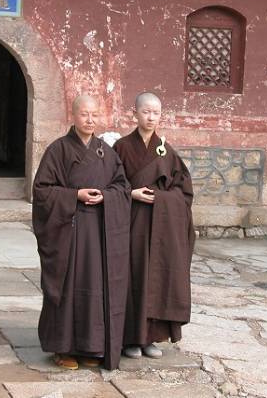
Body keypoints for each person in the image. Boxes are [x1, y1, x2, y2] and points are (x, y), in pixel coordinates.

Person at [32, 95, 131, 370]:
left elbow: (122, 187)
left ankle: (91, 346)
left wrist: (107, 198)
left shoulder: (106, 152)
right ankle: (62, 348)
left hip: (98, 231)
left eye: (94, 115)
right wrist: (75, 194)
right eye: (84, 115)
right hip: (69, 230)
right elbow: (42, 191)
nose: (90, 120)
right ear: (73, 116)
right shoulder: (58, 150)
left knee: (94, 287)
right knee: (67, 287)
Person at [113, 92, 195, 359]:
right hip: (132, 223)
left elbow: (183, 192)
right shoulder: (122, 147)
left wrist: (160, 198)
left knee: (156, 278)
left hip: (159, 227)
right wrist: (130, 194)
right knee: (133, 277)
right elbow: (111, 184)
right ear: (134, 113)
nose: (151, 117)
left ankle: (151, 338)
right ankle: (130, 339)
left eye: (156, 113)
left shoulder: (166, 151)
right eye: (146, 111)